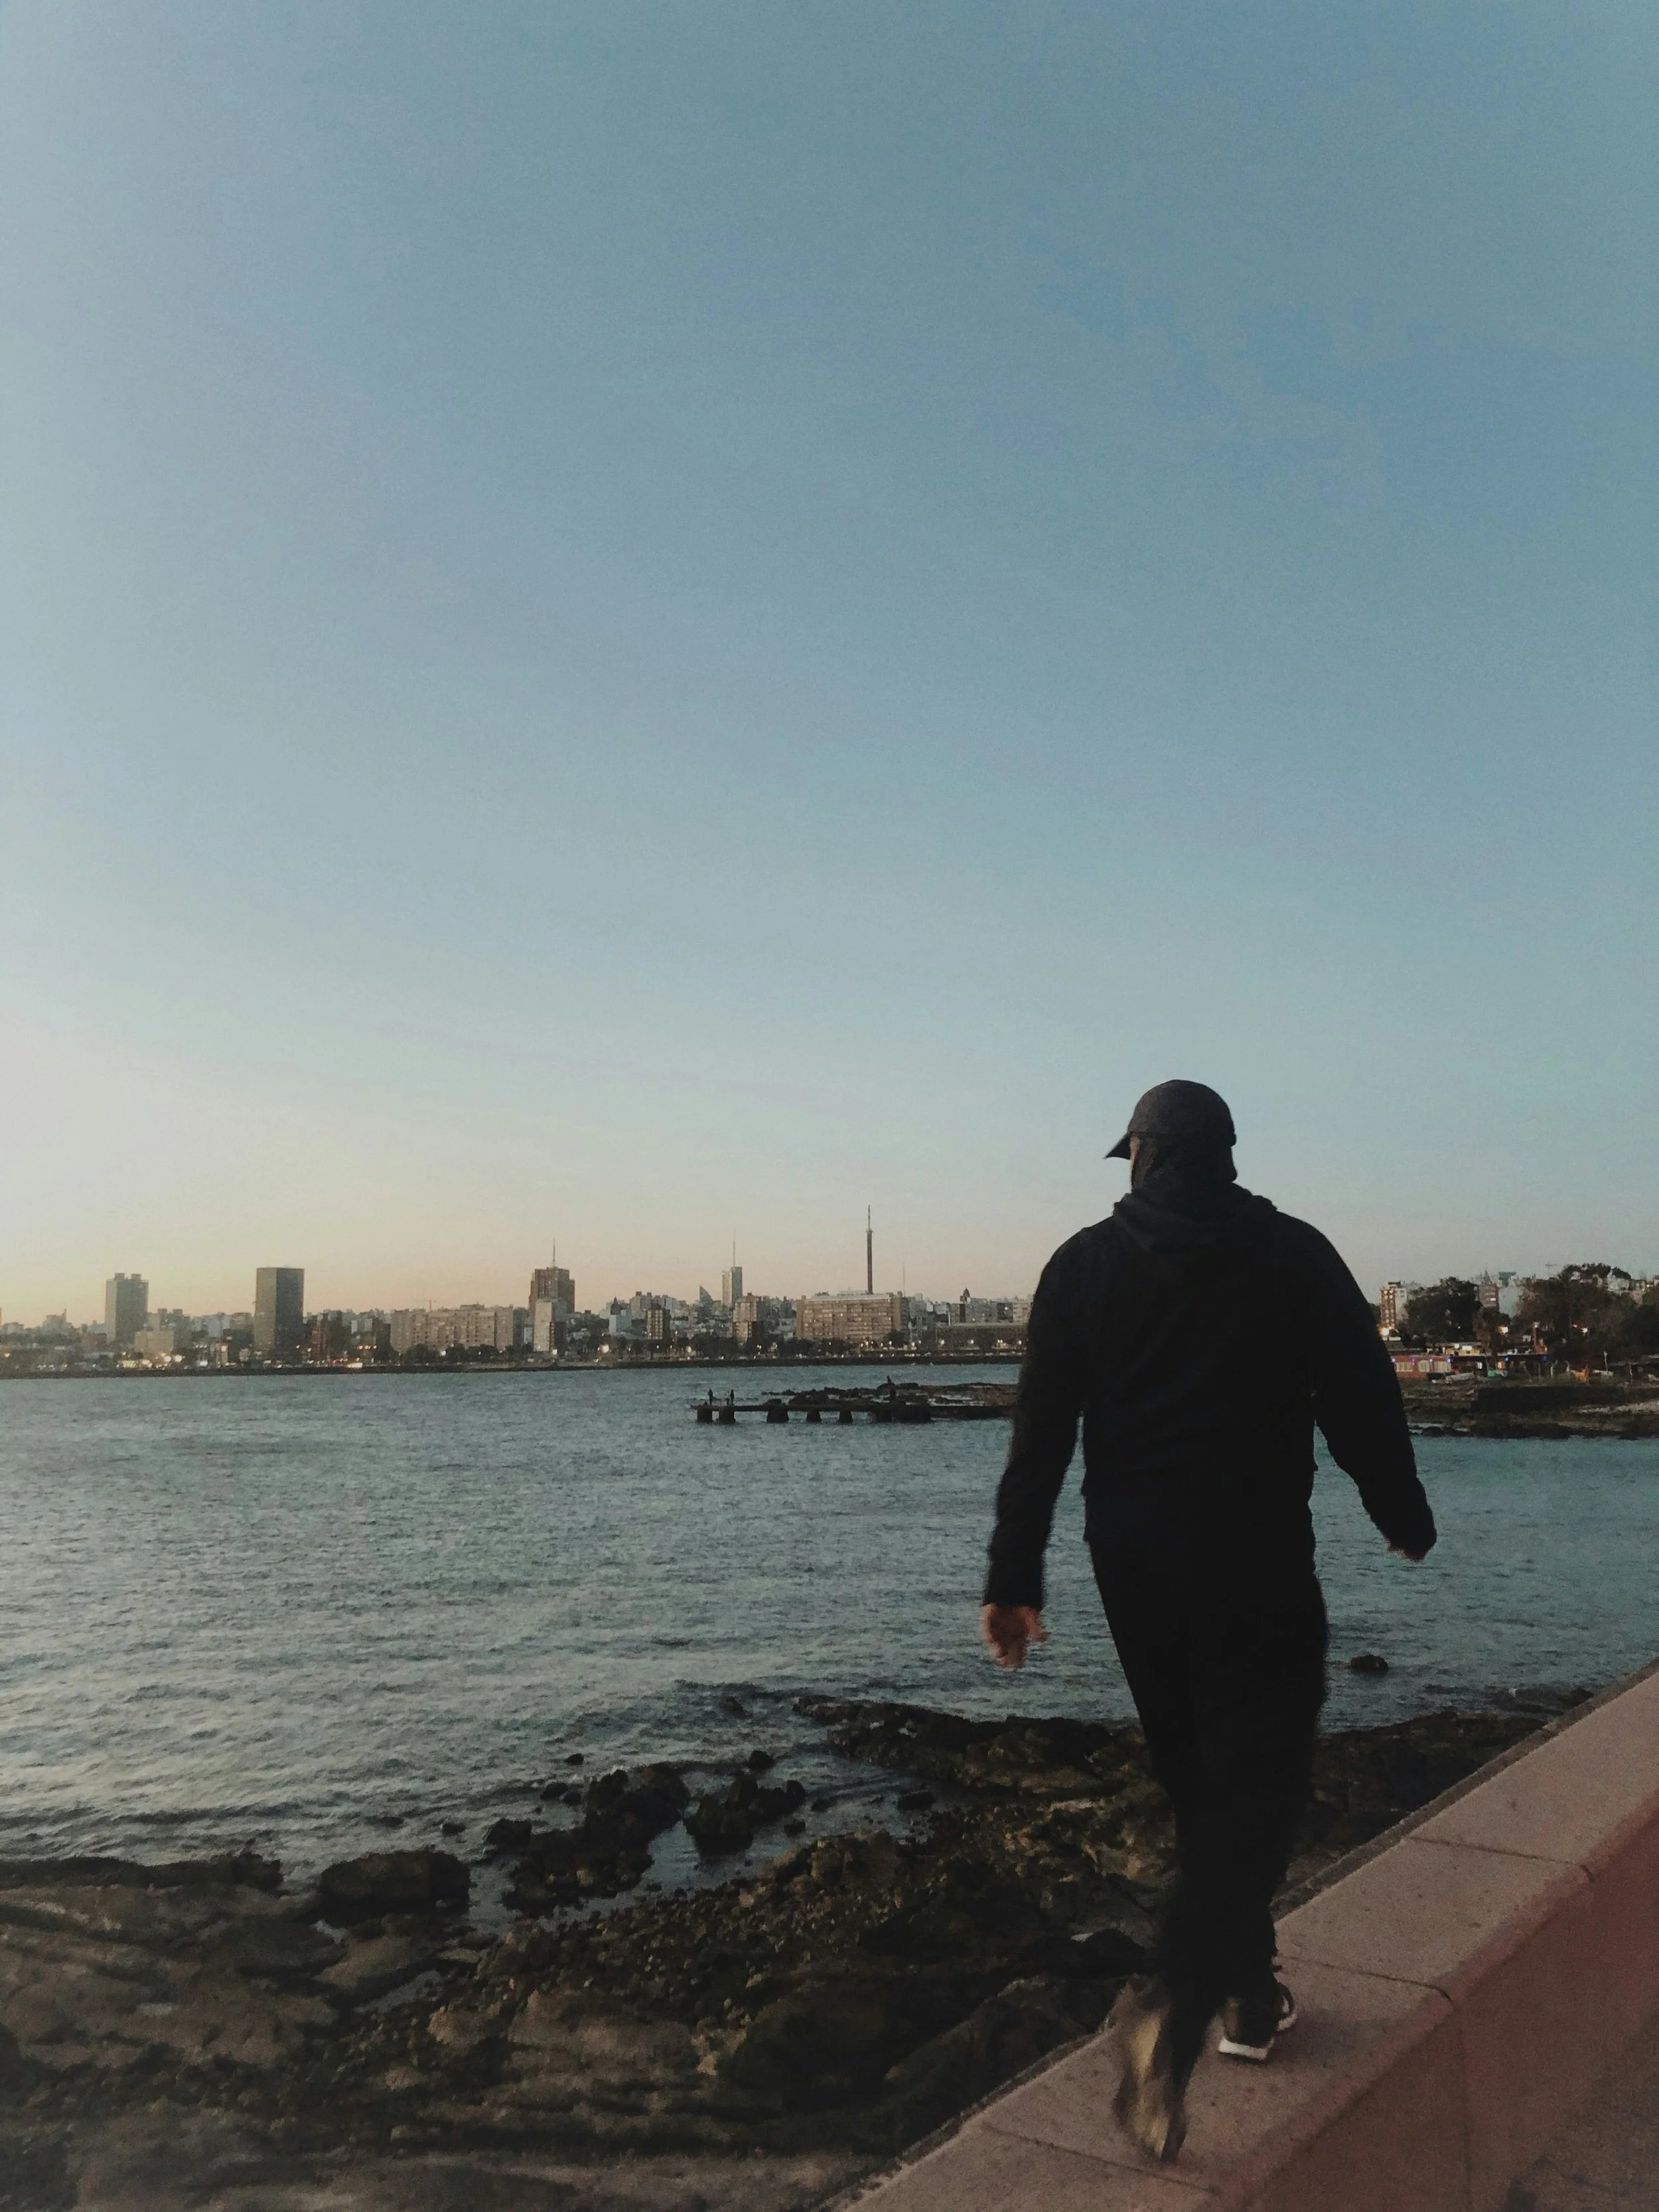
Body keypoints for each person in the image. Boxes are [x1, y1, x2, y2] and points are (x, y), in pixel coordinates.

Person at [980, 1080, 1435, 2163]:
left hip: (1135, 1569)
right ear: (1225, 1154)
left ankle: (1248, 1990)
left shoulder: (1081, 1267)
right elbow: (1360, 1396)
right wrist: (1400, 1511)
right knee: (1259, 1788)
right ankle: (1182, 2004)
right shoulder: (1294, 1254)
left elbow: (1040, 1436)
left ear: (1142, 1154)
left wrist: (1013, 1579)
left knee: (1200, 1779)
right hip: (1259, 1559)